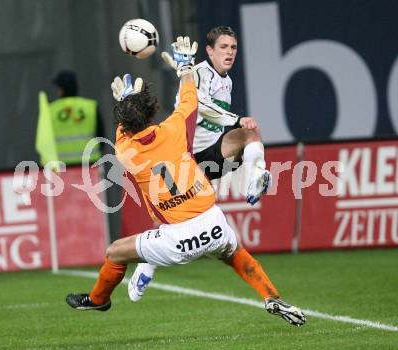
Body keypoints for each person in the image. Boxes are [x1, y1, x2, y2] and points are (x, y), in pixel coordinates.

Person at [66, 36, 305, 327]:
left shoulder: (126, 150)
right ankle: (271, 296)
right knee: (237, 255)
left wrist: (125, 102)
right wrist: (185, 68)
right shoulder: (174, 128)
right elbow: (190, 99)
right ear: (153, 111)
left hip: (175, 238)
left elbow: (124, 131)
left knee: (115, 252)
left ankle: (99, 300)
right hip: (213, 221)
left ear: (125, 125)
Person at [128, 26, 272, 302]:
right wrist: (234, 119)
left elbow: (216, 122)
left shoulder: (226, 81)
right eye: (223, 47)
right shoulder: (195, 73)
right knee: (173, 218)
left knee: (251, 135)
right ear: (209, 50)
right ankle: (146, 267)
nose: (229, 52)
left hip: (208, 152)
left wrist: (235, 133)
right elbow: (200, 106)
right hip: (180, 158)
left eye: (233, 47)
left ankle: (256, 177)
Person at [48, 70, 104, 164]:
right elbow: (101, 137)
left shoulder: (51, 110)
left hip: (61, 166)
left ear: (61, 90)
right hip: (90, 164)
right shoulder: (91, 106)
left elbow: (45, 141)